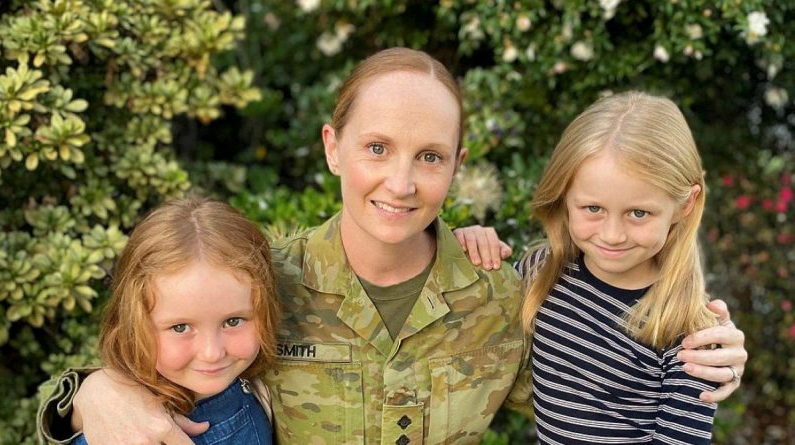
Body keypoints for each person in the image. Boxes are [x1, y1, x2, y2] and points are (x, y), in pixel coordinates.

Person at [36, 49, 747, 445]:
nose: (401, 182)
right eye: (378, 147)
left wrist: (701, 349)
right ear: (333, 146)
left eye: (430, 156)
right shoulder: (262, 283)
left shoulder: (507, 291)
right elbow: (157, 350)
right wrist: (89, 395)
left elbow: (596, 380)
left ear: (457, 164)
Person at [456, 91, 731, 444]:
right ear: (564, 197)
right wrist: (466, 243)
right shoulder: (542, 272)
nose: (613, 235)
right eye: (593, 209)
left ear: (684, 205)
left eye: (638, 213)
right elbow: (466, 309)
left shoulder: (687, 328)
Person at [44, 197, 279, 445]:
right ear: (135, 324)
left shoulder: (255, 384)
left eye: (233, 321)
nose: (212, 353)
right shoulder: (120, 431)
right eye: (180, 327)